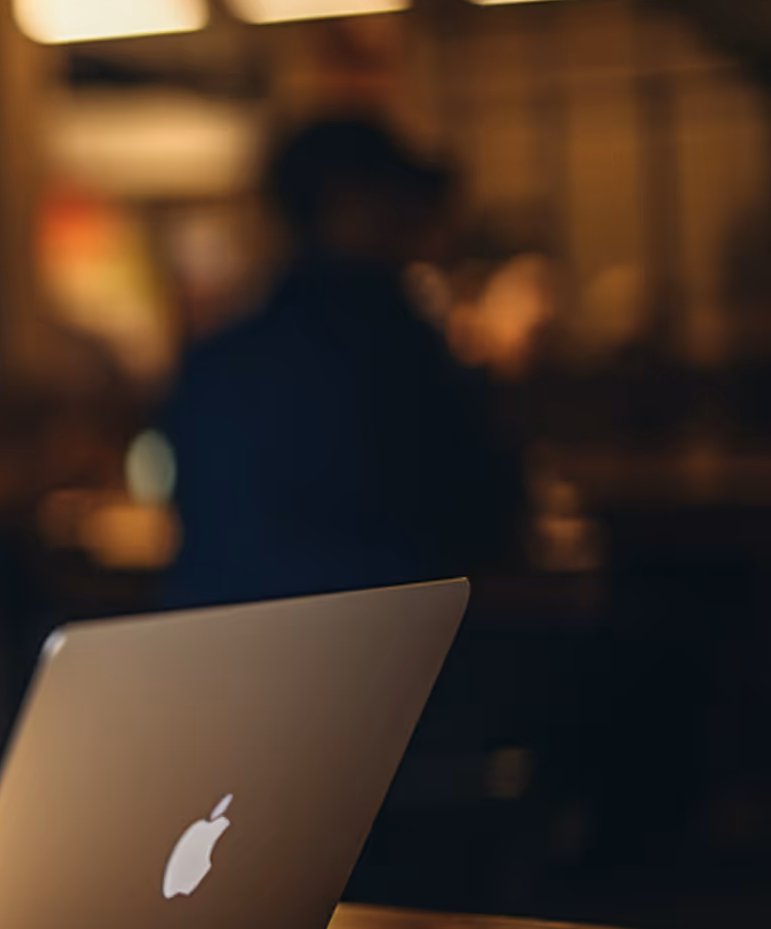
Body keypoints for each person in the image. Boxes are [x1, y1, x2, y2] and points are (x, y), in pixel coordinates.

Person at [160, 118, 526, 608]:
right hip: (380, 651)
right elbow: (486, 512)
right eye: (393, 201)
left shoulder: (220, 357)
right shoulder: (397, 348)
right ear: (350, 204)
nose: (410, 222)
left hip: (223, 648)